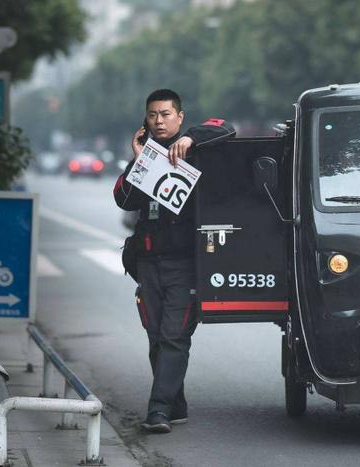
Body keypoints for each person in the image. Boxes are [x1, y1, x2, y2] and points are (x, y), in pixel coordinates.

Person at [113, 89, 234, 433]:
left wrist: (193, 138)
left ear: (179, 117)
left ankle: (159, 410)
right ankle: (175, 403)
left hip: (185, 266)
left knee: (174, 337)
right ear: (145, 120)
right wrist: (139, 160)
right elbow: (124, 200)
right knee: (156, 337)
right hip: (148, 265)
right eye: (152, 115)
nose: (159, 121)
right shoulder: (145, 156)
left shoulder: (196, 150)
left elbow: (227, 128)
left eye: (166, 114)